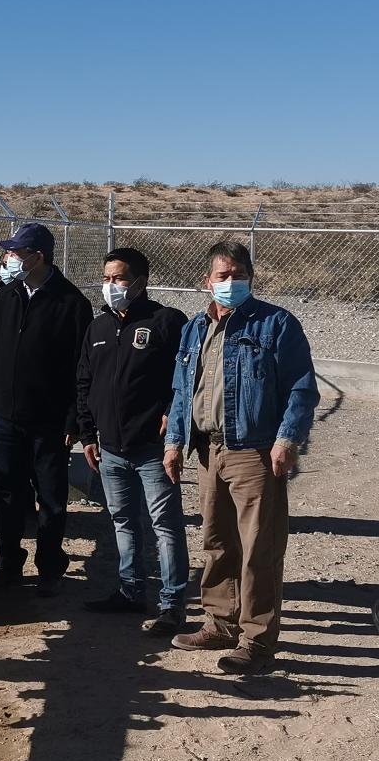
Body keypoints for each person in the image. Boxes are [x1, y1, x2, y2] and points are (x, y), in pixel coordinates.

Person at [163, 241, 319, 674]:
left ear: (250, 277)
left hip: (255, 452)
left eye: (237, 275)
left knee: (259, 549)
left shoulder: (276, 324)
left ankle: (257, 640)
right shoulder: (194, 328)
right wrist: (174, 442)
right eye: (222, 275)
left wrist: (287, 440)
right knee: (217, 543)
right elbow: (182, 391)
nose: (230, 283)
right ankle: (219, 622)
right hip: (209, 450)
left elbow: (302, 388)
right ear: (206, 281)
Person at [0, 222, 93, 596]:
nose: (8, 259)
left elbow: (81, 368)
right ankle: (6, 563)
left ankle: (50, 567)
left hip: (49, 421)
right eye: (8, 253)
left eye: (16, 253)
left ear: (38, 257)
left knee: (51, 497)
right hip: (6, 417)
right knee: (7, 492)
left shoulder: (71, 304)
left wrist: (75, 419)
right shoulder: (4, 298)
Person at [76, 248, 189, 635]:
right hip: (109, 449)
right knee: (122, 521)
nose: (111, 286)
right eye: (106, 278)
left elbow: (186, 380)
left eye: (119, 278)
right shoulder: (99, 328)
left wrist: (171, 419)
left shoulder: (167, 322)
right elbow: (85, 383)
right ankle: (130, 591)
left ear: (140, 282)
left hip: (152, 450)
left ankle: (173, 604)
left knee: (165, 525)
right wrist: (88, 435)